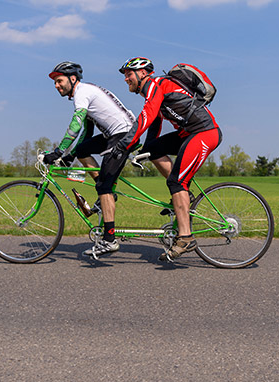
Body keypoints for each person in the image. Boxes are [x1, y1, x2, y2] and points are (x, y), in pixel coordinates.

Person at [115, 57, 223, 261]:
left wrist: (123, 145)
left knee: (176, 181)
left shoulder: (157, 84)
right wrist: (144, 150)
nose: (126, 79)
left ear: (143, 74)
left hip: (204, 133)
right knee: (155, 150)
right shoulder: (154, 90)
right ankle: (185, 197)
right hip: (189, 134)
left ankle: (186, 237)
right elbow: (154, 124)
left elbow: (145, 117)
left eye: (129, 74)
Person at [45, 61, 135, 256]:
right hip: (115, 133)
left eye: (59, 81)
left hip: (122, 135)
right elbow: (87, 132)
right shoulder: (85, 91)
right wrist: (71, 155)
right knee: (84, 150)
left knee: (104, 186)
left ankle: (109, 240)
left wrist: (59, 151)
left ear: (73, 79)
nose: (56, 86)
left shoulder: (81, 93)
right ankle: (106, 193)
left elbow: (76, 123)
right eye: (54, 83)